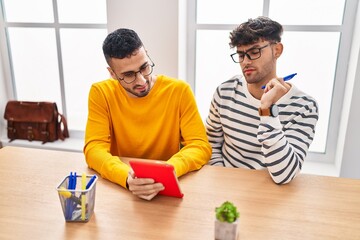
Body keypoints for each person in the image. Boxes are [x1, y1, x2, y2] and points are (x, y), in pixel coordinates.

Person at [84, 28, 211, 200]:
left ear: (148, 55)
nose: (142, 80)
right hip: (123, 192)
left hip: (169, 188)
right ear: (112, 73)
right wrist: (126, 177)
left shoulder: (179, 91)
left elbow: (200, 146)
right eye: (128, 75)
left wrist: (168, 170)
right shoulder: (101, 93)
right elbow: (94, 148)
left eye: (144, 67)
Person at [206, 16, 319, 184]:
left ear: (277, 50)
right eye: (241, 55)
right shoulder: (225, 92)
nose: (245, 62)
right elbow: (211, 145)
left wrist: (268, 110)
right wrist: (223, 180)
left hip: (270, 194)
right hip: (225, 187)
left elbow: (284, 175)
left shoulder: (304, 107)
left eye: (254, 52)